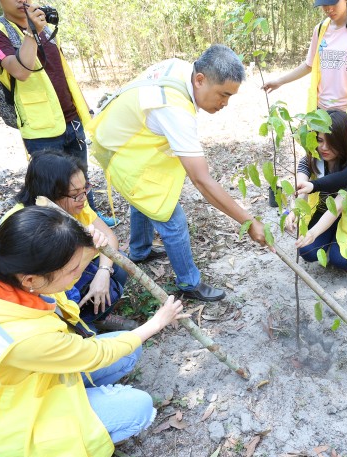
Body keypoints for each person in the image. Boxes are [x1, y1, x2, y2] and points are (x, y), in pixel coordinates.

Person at [0, 206, 188, 457]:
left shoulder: (1, 276)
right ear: (31, 280)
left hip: (35, 382)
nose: (79, 272)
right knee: (139, 407)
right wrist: (155, 324)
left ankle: (87, 406)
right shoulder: (20, 338)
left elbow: (62, 276)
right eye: (73, 269)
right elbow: (94, 353)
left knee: (129, 350)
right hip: (17, 421)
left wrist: (91, 247)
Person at [87, 45, 268, 303]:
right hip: (120, 151)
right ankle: (188, 283)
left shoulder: (184, 69)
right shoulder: (174, 108)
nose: (225, 104)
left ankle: (139, 251)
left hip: (122, 140)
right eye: (223, 95)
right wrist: (249, 222)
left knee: (144, 201)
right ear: (200, 80)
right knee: (171, 219)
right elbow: (201, 180)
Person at [0, 0, 115, 226]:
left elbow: (62, 71)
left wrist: (83, 109)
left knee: (80, 177)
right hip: (40, 126)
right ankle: (59, 231)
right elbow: (21, 71)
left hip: (71, 118)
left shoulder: (44, 23)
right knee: (51, 187)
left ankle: (90, 220)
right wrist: (32, 33)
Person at [6, 150, 135, 331]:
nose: (83, 198)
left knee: (116, 266)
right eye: (75, 193)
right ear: (50, 194)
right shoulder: (25, 226)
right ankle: (81, 328)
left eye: (85, 189)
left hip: (71, 271)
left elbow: (110, 239)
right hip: (49, 290)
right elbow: (42, 286)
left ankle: (96, 319)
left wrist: (103, 273)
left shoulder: (75, 203)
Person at [261, 0, 347, 141]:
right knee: (322, 159)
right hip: (321, 113)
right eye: (324, 4)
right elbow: (309, 65)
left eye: (333, 3)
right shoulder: (321, 29)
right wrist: (279, 81)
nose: (328, 9)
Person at [290, 110, 347, 269]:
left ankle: (333, 242)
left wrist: (313, 233)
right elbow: (300, 188)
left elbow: (337, 208)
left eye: (331, 143)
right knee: (307, 251)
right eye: (319, 140)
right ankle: (327, 239)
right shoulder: (312, 159)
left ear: (343, 142)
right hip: (320, 211)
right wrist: (294, 211)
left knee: (342, 261)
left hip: (344, 216)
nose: (324, 147)